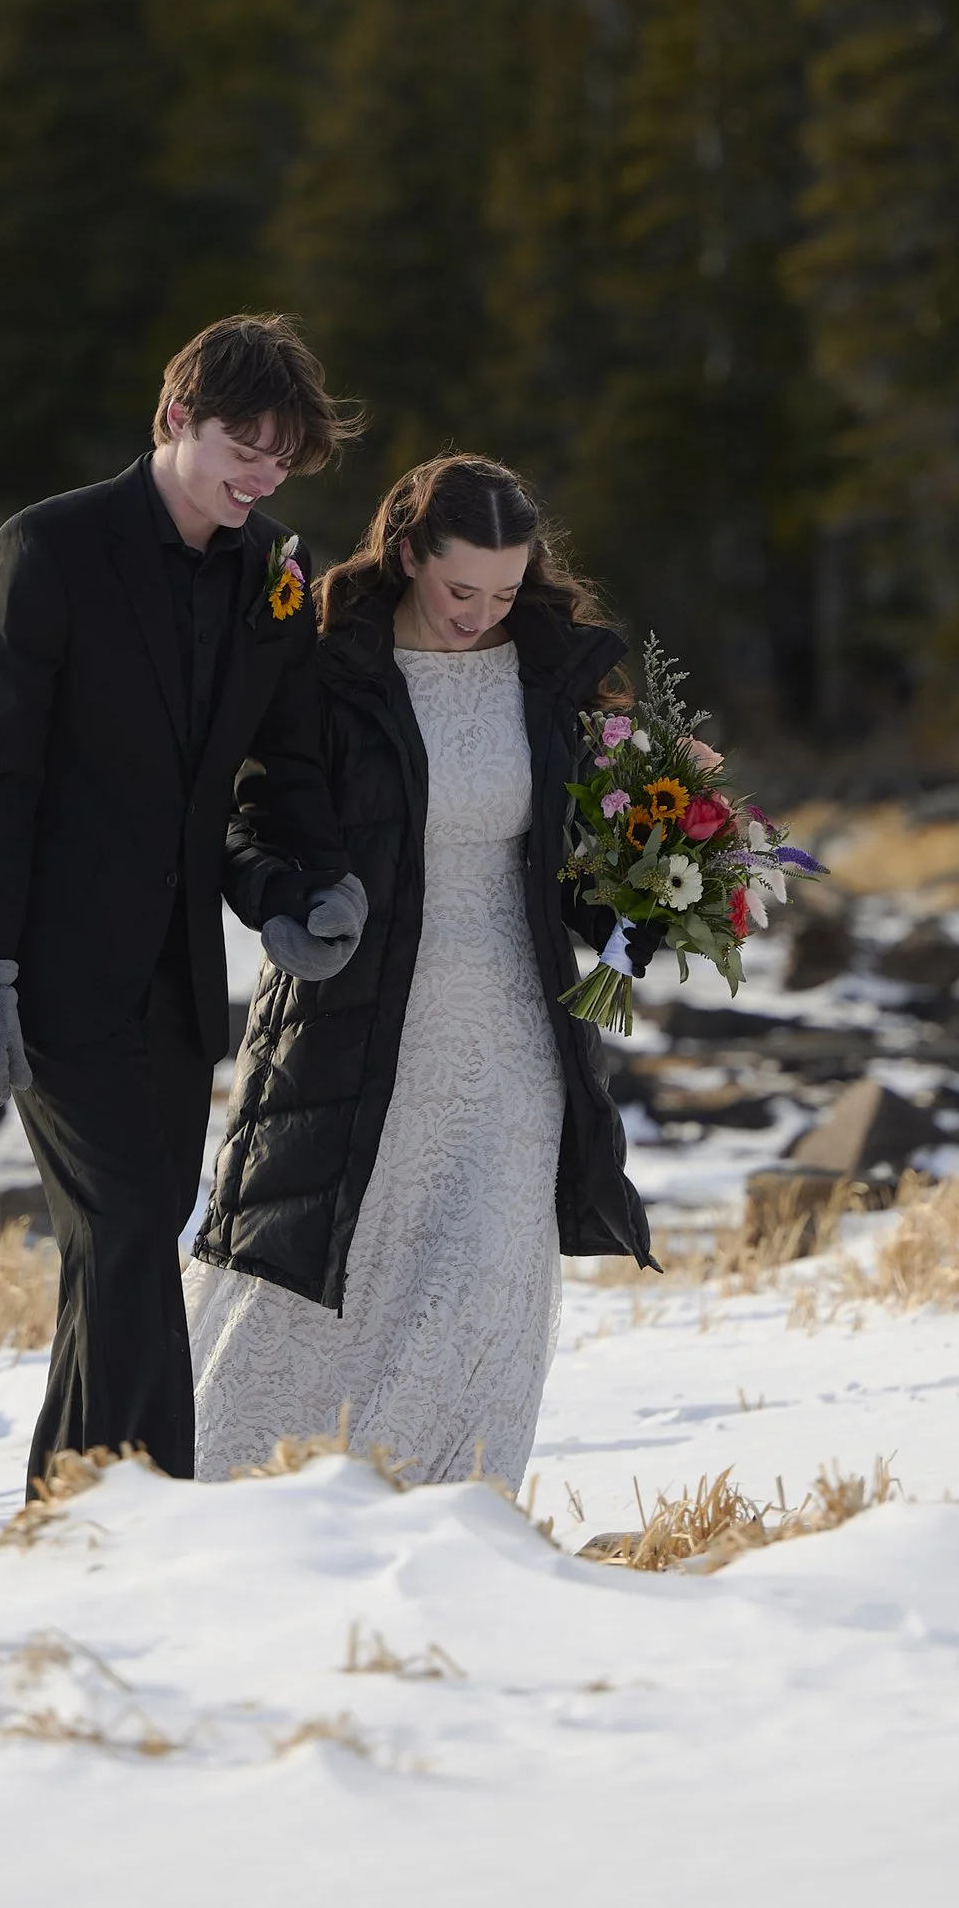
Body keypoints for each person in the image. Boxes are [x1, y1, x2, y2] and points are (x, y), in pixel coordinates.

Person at [0, 315, 368, 1489]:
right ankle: (144, 1504)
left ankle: (73, 1502)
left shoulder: (272, 575)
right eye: (241, 446)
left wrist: (291, 892)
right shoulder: (48, 549)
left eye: (279, 457)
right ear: (175, 420)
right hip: (42, 965)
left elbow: (276, 773)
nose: (259, 475)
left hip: (174, 976)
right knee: (119, 1232)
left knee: (133, 1238)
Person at [188, 452, 654, 1491]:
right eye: (458, 590)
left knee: (480, 1289)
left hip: (512, 1035)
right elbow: (248, 819)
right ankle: (232, 1511)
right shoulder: (322, 666)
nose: (479, 615)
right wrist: (285, 904)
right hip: (349, 1020)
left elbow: (574, 864)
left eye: (503, 591)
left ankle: (442, 1532)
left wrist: (657, 901)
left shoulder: (551, 676)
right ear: (404, 554)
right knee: (308, 1287)